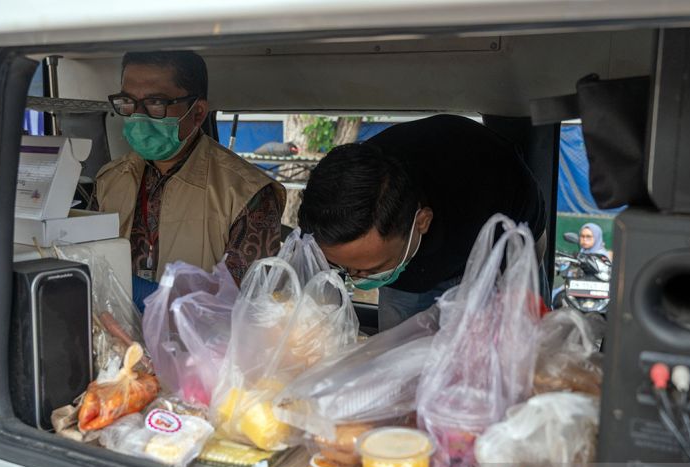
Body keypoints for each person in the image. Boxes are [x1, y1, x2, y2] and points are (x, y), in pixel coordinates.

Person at [298, 114, 547, 331]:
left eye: (371, 270)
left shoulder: (490, 191)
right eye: (345, 268)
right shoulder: (335, 205)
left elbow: (526, 254)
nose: (356, 279)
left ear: (422, 221)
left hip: (490, 249)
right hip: (410, 271)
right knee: (395, 359)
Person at [96, 51, 285, 299]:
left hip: (200, 336)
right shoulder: (109, 180)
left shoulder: (246, 193)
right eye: (128, 101)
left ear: (197, 113)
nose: (137, 116)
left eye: (156, 103)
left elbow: (248, 307)